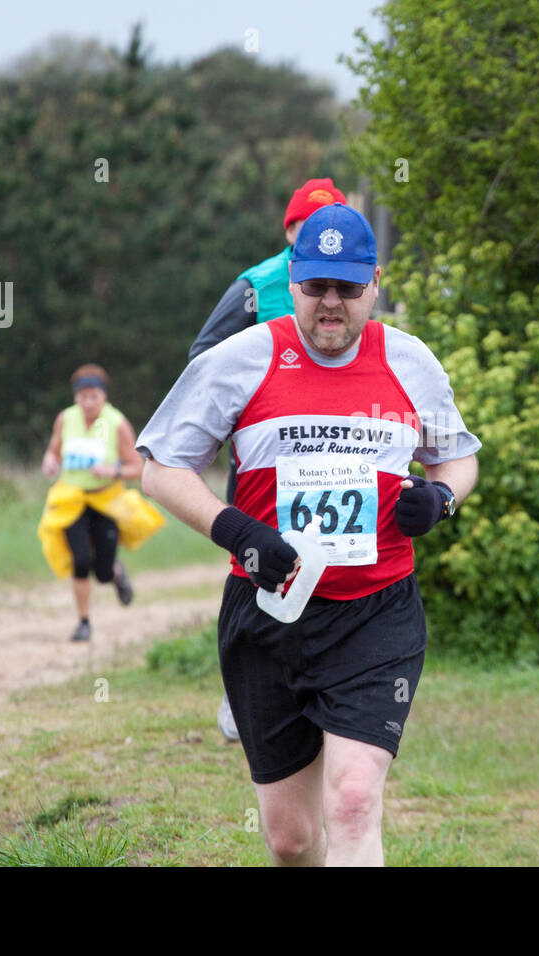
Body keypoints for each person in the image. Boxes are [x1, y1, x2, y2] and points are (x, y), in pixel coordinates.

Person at [136, 202, 481, 866]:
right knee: (291, 840)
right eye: (315, 285)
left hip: (376, 611)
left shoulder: (409, 361)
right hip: (269, 616)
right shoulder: (242, 359)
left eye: (347, 288)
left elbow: (457, 456)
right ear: (291, 279)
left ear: (374, 283)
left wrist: (440, 498)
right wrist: (237, 532)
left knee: (352, 799)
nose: (331, 304)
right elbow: (160, 467)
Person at [192, 177, 348, 742]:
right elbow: (203, 357)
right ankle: (246, 693)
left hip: (336, 455)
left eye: (334, 226)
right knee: (259, 568)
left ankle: (331, 688)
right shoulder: (256, 287)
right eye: (310, 228)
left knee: (334, 567)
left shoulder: (355, 285)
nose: (323, 239)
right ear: (289, 231)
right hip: (266, 460)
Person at [38, 364, 165, 642]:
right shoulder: (65, 419)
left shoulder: (117, 423)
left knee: (103, 571)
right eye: (83, 397)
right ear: (75, 398)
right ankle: (84, 622)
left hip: (106, 500)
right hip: (71, 499)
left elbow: (138, 467)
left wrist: (113, 471)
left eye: (94, 396)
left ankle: (116, 574)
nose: (88, 402)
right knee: (81, 561)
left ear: (104, 396)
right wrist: (50, 461)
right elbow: (54, 451)